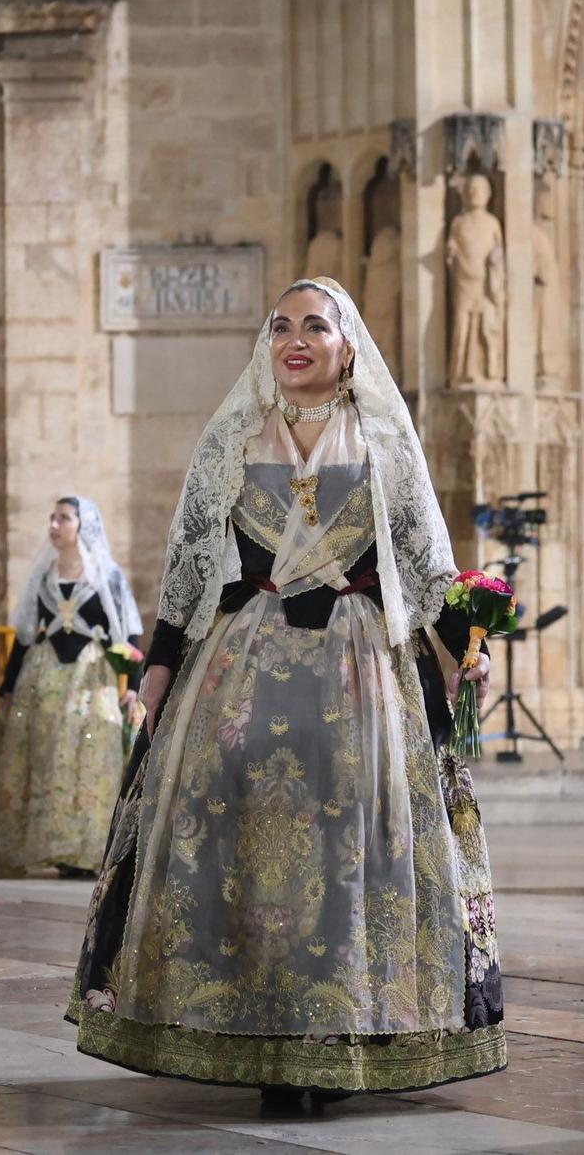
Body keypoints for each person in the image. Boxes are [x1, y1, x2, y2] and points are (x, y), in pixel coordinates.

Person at [68, 277, 506, 1109]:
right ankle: (251, 1027)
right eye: (281, 327)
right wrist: (158, 671)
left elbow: (422, 561)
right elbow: (192, 566)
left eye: (315, 325)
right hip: (247, 659)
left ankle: (337, 1029)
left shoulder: (381, 440)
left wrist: (463, 650)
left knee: (353, 847)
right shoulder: (232, 435)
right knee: (234, 841)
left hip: (360, 673)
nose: (295, 339)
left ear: (348, 346)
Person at [0, 496, 143, 878]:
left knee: (86, 759)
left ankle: (83, 850)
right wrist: (8, 687)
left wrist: (132, 685)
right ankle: (40, 844)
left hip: (90, 681)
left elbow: (130, 631)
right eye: (52, 518)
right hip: (43, 679)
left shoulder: (107, 575)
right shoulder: (44, 576)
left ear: (83, 526)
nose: (54, 525)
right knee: (44, 756)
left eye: (63, 518)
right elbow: (24, 635)